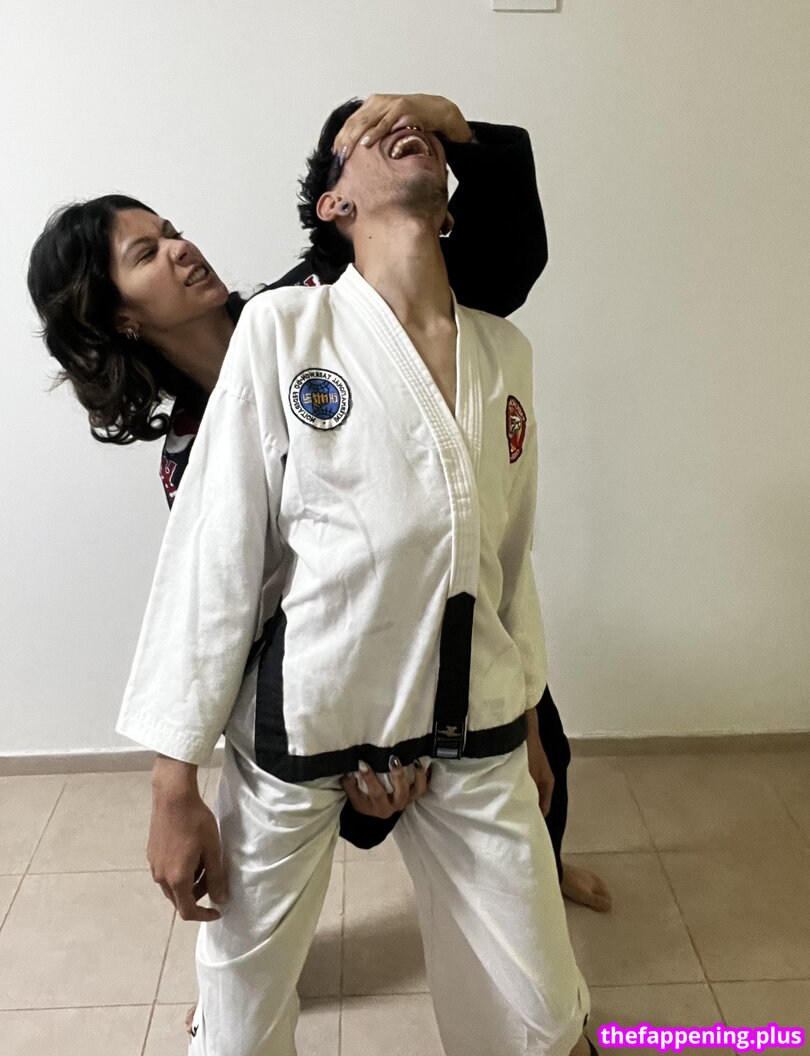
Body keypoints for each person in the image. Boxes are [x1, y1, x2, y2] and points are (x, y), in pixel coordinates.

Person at [28, 91, 610, 912]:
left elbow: (493, 263)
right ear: (116, 315)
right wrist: (344, 750)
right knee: (332, 806)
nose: (182, 249)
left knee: (533, 727)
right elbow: (245, 611)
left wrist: (450, 130)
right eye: (147, 253)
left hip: (458, 580)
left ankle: (543, 870)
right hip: (346, 653)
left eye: (173, 230)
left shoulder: (316, 294)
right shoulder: (190, 452)